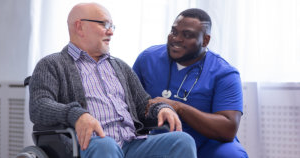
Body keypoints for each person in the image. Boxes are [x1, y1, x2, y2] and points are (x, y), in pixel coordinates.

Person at [28, 3, 197, 158]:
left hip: (132, 144)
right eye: (104, 24)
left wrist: (161, 109)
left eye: (112, 26)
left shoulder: (120, 66)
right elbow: (39, 105)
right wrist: (77, 115)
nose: (111, 32)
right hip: (89, 145)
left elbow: (143, 104)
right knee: (106, 145)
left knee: (182, 141)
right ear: (80, 27)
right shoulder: (51, 64)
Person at [133, 8, 248, 157]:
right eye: (174, 32)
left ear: (205, 40)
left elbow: (228, 129)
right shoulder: (147, 59)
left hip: (208, 144)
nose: (176, 39)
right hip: (161, 140)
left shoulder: (225, 73)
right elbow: (128, 104)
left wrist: (178, 107)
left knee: (232, 155)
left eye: (187, 35)